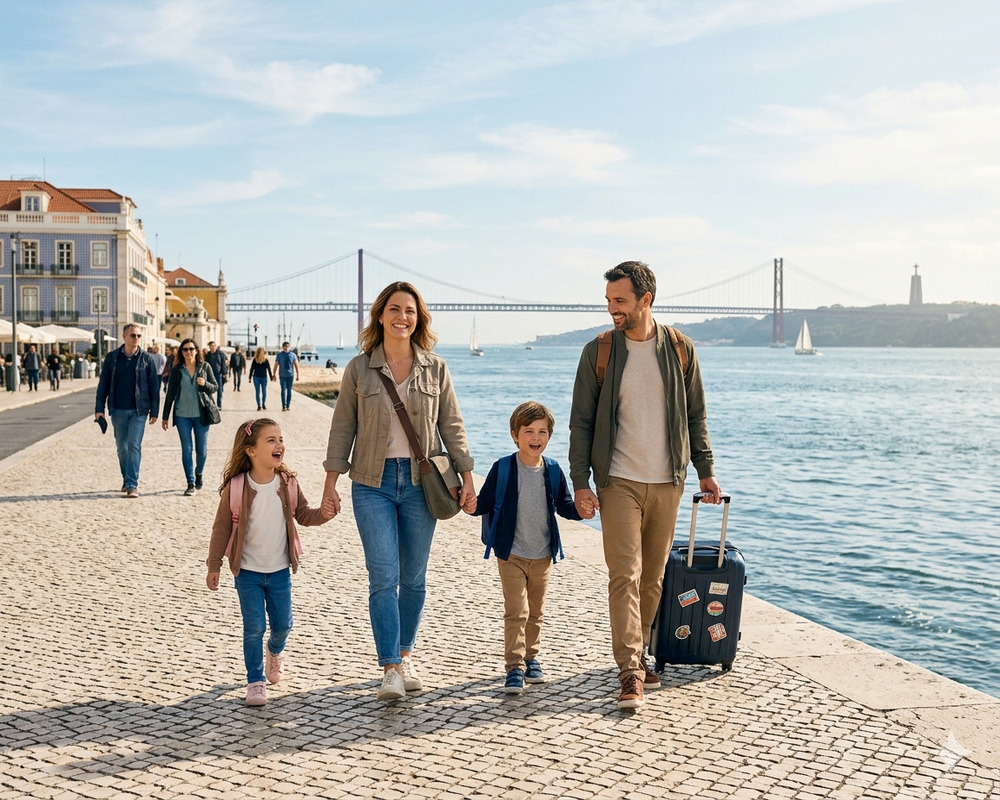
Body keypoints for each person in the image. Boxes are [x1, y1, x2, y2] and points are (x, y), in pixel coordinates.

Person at [569, 260, 722, 711]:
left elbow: (696, 416)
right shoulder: (598, 351)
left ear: (645, 300)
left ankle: (641, 651)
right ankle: (631, 669)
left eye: (620, 301)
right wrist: (581, 481)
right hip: (618, 481)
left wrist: (705, 469)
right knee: (624, 575)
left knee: (652, 580)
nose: (612, 309)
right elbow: (580, 423)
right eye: (609, 301)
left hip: (668, 480)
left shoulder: (680, 349)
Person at [322, 281, 476, 702]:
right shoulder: (359, 368)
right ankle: (389, 667)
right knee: (383, 576)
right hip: (370, 484)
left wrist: (467, 477)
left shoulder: (436, 368)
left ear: (418, 318)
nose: (401, 317)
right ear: (380, 316)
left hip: (420, 484)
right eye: (394, 309)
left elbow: (452, 426)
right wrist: (330, 486)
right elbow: (342, 430)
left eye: (409, 311)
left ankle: (404, 655)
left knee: (414, 579)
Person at [206, 418, 336, 706]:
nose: (280, 445)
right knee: (253, 627)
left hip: (279, 572)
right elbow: (221, 527)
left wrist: (324, 514)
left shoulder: (287, 483)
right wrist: (213, 565)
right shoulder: (237, 486)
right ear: (250, 451)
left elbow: (303, 515)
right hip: (248, 573)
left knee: (282, 625)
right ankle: (255, 681)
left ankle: (274, 652)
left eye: (280, 439)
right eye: (271, 440)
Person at [471, 401, 581, 695]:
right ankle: (515, 667)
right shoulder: (503, 467)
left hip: (543, 554)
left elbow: (564, 505)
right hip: (511, 554)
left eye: (542, 432)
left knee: (536, 611)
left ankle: (532, 658)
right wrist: (469, 504)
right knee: (517, 611)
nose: (536, 437)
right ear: (514, 435)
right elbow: (483, 503)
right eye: (529, 431)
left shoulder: (554, 470)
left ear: (549, 436)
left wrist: (583, 509)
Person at [94, 323, 161, 498]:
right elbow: (103, 384)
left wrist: (155, 411)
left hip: (139, 410)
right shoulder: (112, 358)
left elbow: (154, 386)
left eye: (138, 336)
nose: (136, 339)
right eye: (133, 336)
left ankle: (132, 484)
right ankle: (126, 479)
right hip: (117, 409)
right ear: (124, 336)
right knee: (121, 447)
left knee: (134, 445)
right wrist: (99, 408)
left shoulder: (147, 358)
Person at [162, 338, 218, 495]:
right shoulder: (177, 370)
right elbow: (170, 394)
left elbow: (215, 387)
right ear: (181, 352)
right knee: (187, 449)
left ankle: (198, 473)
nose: (188, 352)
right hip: (182, 416)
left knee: (202, 451)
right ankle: (190, 483)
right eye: (185, 349)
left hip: (201, 415)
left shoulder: (205, 367)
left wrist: (204, 384)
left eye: (191, 349)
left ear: (196, 350)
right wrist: (165, 416)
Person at [272, 342, 299, 411]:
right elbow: (276, 365)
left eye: (287, 346)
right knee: (283, 390)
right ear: (283, 347)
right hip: (282, 375)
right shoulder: (279, 355)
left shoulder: (293, 355)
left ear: (289, 347)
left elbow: (296, 365)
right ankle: (283, 406)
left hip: (290, 375)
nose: (286, 347)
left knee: (289, 390)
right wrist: (274, 374)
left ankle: (288, 405)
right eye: (285, 346)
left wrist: (298, 374)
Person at [204, 341, 229, 409]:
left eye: (214, 346)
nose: (213, 347)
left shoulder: (220, 354)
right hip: (209, 375)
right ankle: (209, 404)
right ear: (209, 347)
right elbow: (205, 365)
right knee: (208, 390)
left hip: (218, 374)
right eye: (211, 346)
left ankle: (219, 405)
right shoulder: (207, 355)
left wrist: (224, 373)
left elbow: (223, 364)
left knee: (219, 390)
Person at [248, 347, 274, 411]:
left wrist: (250, 377)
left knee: (257, 392)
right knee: (264, 391)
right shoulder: (266, 360)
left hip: (256, 377)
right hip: (263, 377)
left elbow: (252, 369)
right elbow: (269, 369)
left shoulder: (255, 360)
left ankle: (259, 406)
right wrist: (271, 377)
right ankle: (263, 404)